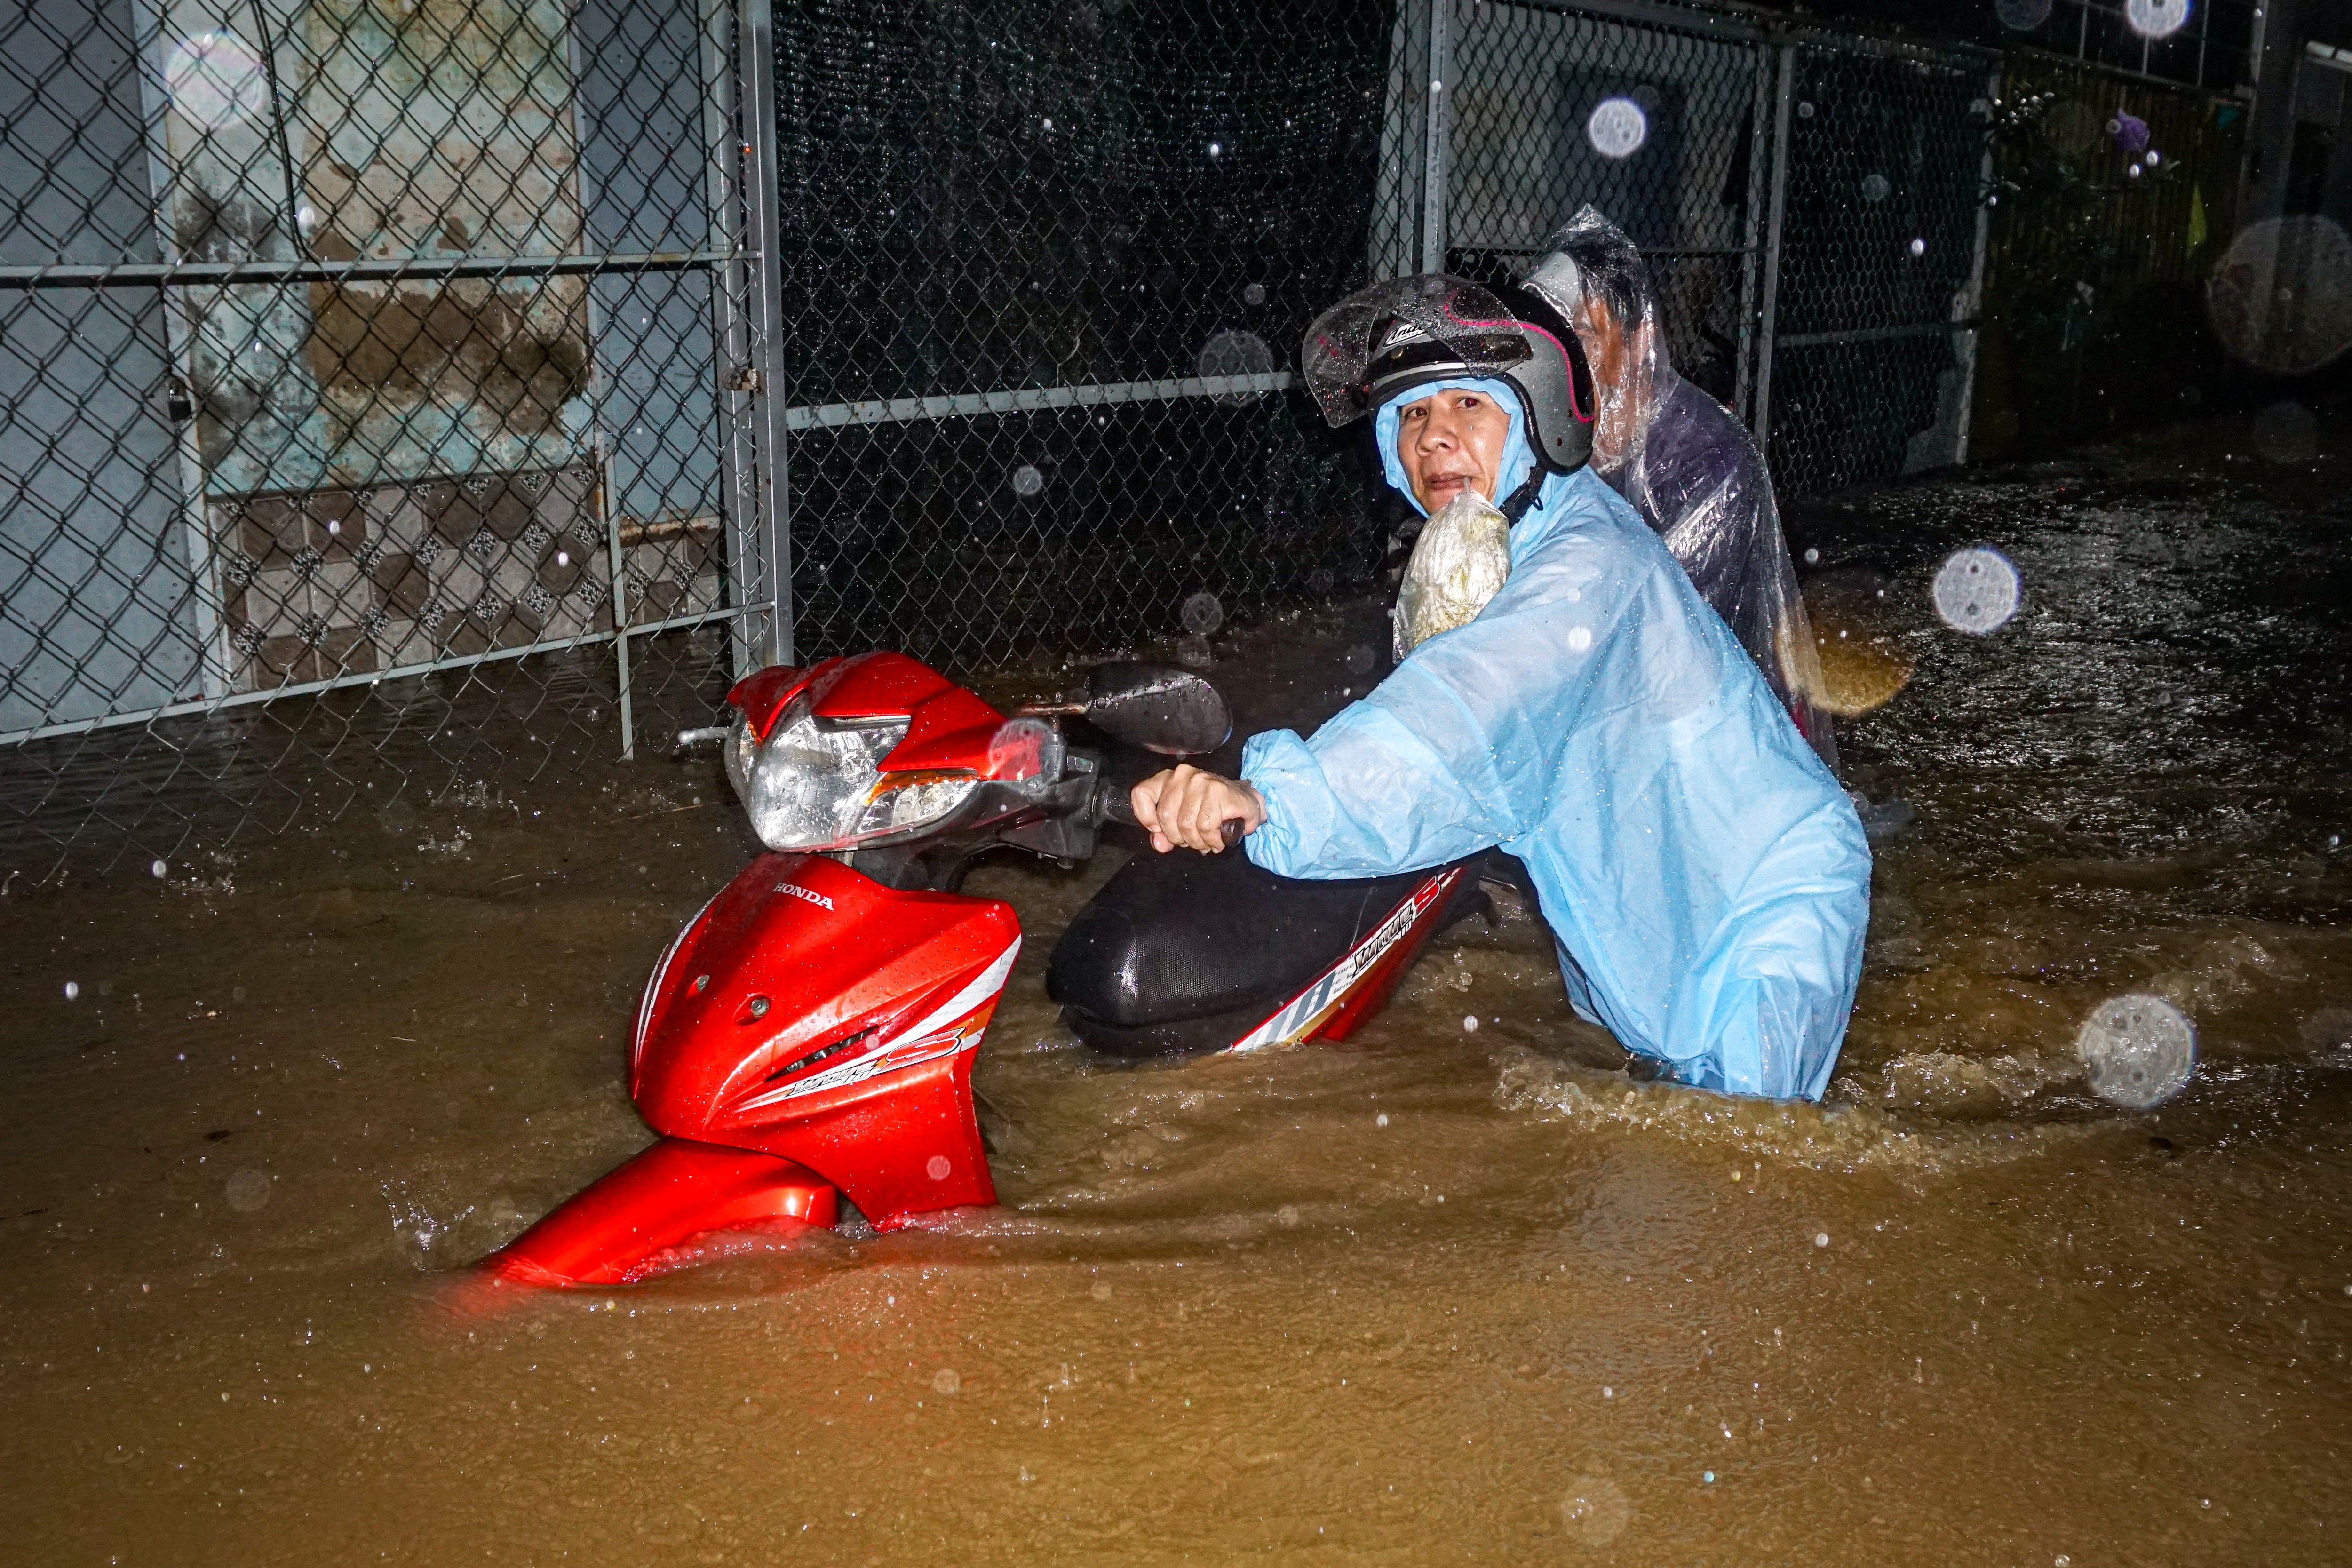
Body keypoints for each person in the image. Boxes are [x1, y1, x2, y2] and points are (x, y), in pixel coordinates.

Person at [1128, 274, 1869, 1099]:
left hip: (1759, 902)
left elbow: (1465, 706)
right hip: (1631, 902)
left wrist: (1273, 800)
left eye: (1468, 407)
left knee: (1748, 1173)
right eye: (1411, 415)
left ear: (1536, 422)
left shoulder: (1585, 564)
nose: (1435, 438)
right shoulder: (1487, 548)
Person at [1523, 207, 1837, 767]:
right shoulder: (1547, 428)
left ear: (1639, 338)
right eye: (1552, 334)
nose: (1564, 354)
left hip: (1715, 722)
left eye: (1586, 334)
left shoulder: (1707, 457)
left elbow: (1676, 634)